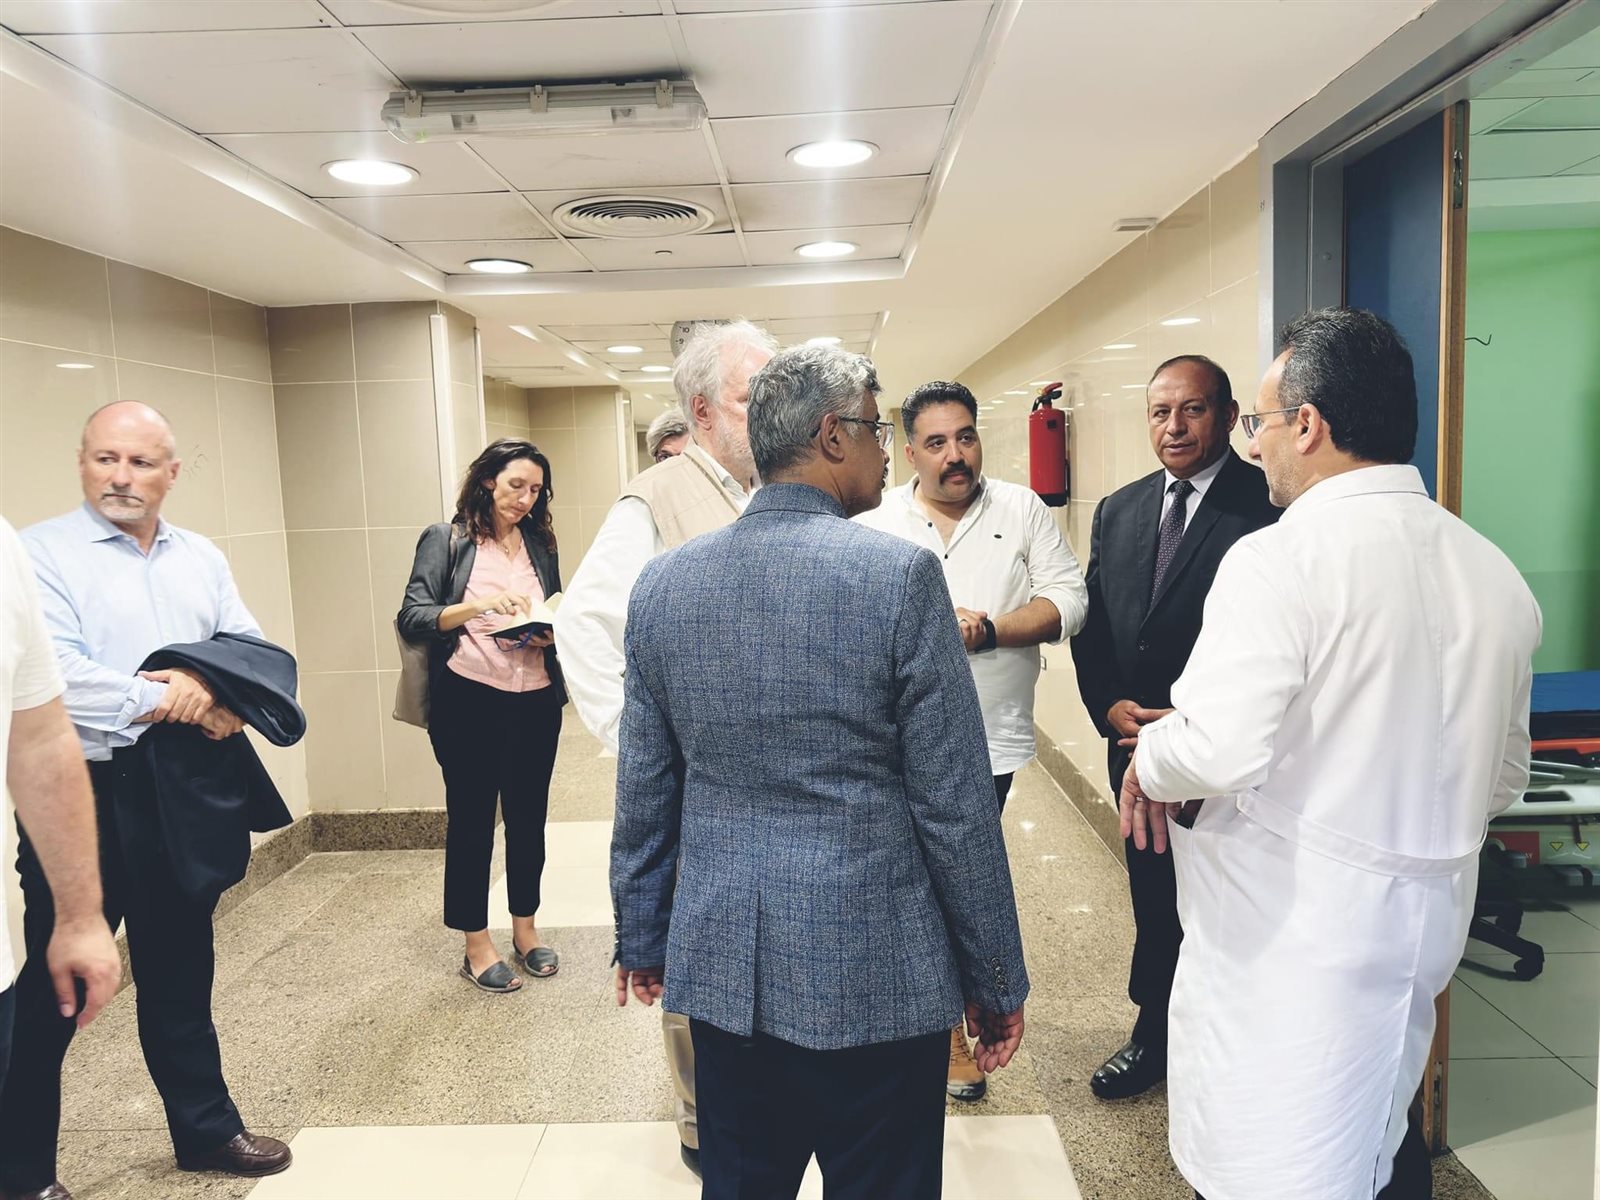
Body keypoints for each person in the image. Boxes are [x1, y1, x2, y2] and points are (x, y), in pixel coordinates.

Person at [1121, 309, 1541, 1200]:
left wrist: (1150, 758)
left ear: (1307, 424)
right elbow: (1505, 775)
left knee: (1277, 1158)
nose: (1256, 445)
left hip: (1293, 942)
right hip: (1421, 935)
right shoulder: (1494, 573)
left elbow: (1218, 748)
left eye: (1260, 422)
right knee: (1377, 1131)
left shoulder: (1280, 559)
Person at [611, 344, 1029, 1200]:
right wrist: (993, 977)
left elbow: (645, 790)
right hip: (878, 975)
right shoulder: (900, 579)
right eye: (877, 429)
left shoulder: (663, 587)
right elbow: (954, 807)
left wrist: (643, 935)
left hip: (727, 974)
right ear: (833, 436)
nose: (886, 450)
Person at [1, 401, 294, 1198]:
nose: (120, 477)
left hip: (179, 788)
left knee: (181, 967)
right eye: (105, 459)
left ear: (171, 471)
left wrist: (209, 684)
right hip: (81, 794)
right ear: (82, 462)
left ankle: (206, 1130)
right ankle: (21, 1173)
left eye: (138, 462)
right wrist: (177, 699)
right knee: (56, 987)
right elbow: (56, 678)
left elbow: (247, 648)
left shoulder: (199, 556)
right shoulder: (37, 554)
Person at [555, 318, 775, 1176]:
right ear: (702, 411)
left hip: (766, 776)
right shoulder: (657, 497)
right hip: (697, 780)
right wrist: (646, 741)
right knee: (700, 946)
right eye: (752, 399)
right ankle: (700, 1123)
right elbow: (585, 624)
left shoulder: (769, 488)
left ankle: (758, 1098)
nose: (772, 412)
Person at [856, 379, 1085, 1102]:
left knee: (961, 881)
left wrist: (987, 630)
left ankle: (957, 1014)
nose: (955, 455)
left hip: (989, 739)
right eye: (936, 442)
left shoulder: (1021, 509)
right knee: (910, 882)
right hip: (894, 742)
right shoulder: (877, 521)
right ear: (910, 452)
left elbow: (1069, 601)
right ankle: (940, 1025)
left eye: (965, 437)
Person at [1068, 355, 1278, 1102]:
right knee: (1155, 897)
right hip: (1134, 747)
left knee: (1231, 902)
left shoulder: (1267, 506)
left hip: (1224, 755)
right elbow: (1092, 624)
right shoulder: (1120, 509)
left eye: (1193, 409)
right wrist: (1108, 705)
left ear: (1229, 416)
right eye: (1160, 412)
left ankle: (1232, 1046)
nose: (1175, 426)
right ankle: (1154, 1034)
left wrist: (1198, 718)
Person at [398, 439, 567, 994]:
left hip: (535, 696)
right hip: (470, 698)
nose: (525, 498)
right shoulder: (447, 539)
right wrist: (479, 607)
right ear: (489, 480)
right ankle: (476, 944)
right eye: (516, 485)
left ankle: (525, 929)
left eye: (535, 490)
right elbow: (414, 614)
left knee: (529, 820)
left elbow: (553, 603)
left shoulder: (539, 542)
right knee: (472, 822)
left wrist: (549, 632)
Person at [0, 517, 123, 1094]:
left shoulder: (3, 548)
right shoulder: (38, 550)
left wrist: (79, 918)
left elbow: (41, 739)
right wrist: (162, 695)